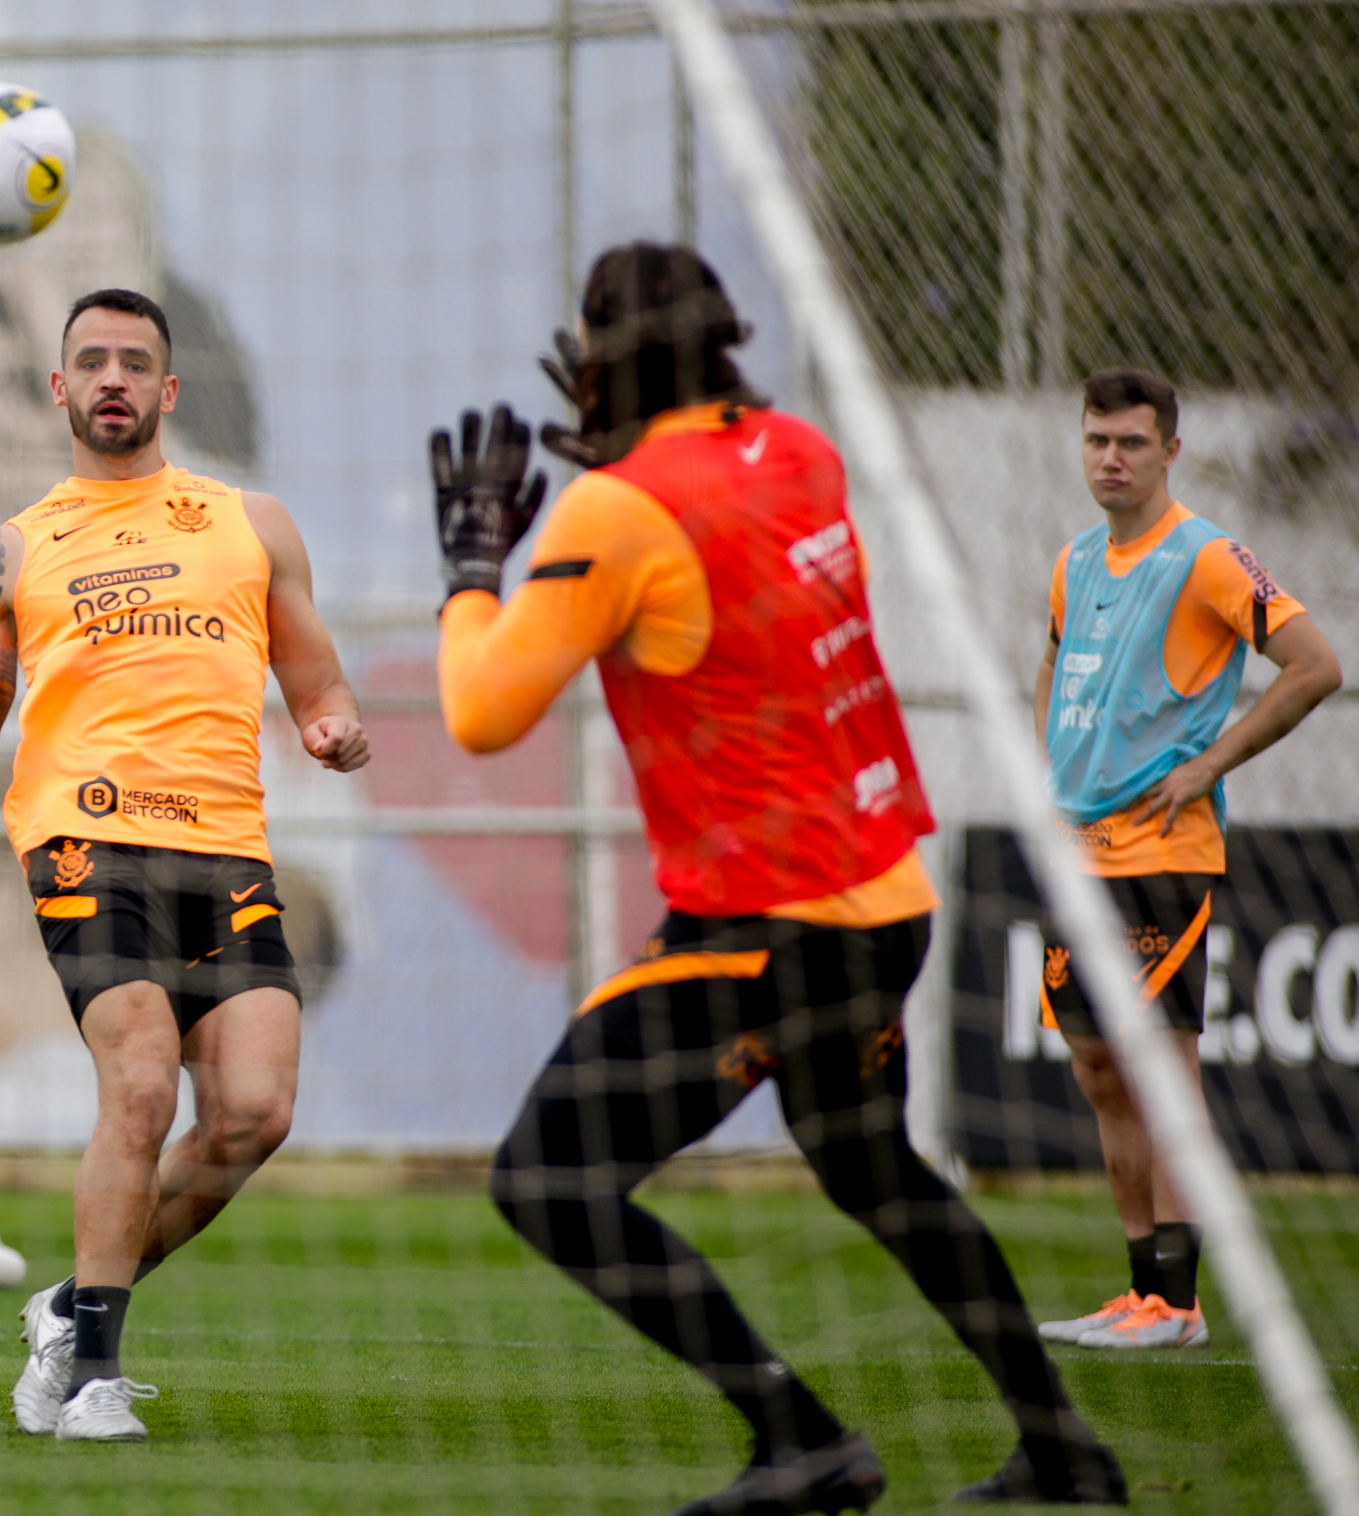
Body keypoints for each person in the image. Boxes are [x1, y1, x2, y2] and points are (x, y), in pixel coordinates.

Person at [438, 242, 1124, 1511]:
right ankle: (1063, 1451)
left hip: (764, 927)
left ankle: (800, 1439)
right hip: (882, 901)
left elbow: (481, 710)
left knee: (544, 1179)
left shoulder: (613, 512)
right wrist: (626, 476)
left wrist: (474, 563)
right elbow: (717, 537)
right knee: (876, 1173)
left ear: (603, 357)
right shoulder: (800, 448)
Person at [0, 288, 369, 1442]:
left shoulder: (251, 524)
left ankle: (72, 1303)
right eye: (89, 361)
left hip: (224, 850)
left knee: (252, 1113)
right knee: (143, 1079)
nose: (111, 377)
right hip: (85, 838)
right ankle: (90, 1375)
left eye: (133, 361)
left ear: (167, 390)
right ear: (59, 389)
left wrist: (332, 726)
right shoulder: (11, 547)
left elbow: (318, 682)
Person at [1033, 368, 1341, 1350]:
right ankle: (1138, 1290)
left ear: (1169, 450)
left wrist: (1207, 763)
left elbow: (1314, 665)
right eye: (1094, 440)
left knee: (1158, 1069)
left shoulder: (1209, 556)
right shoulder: (1072, 561)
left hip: (1160, 850)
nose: (1109, 458)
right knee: (1095, 1066)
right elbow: (1052, 665)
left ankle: (1179, 1299)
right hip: (1075, 851)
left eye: (1128, 441)